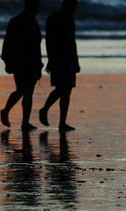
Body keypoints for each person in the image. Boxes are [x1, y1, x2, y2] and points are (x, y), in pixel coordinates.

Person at [0, 0, 43, 131]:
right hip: (27, 62)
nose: (39, 10)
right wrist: (39, 63)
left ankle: (13, 115)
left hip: (19, 61)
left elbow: (7, 42)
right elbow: (35, 46)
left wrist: (7, 60)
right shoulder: (30, 22)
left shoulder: (16, 20)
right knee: (26, 91)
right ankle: (22, 121)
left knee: (22, 90)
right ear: (34, 7)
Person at [39, 0, 80, 132]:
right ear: (69, 6)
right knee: (65, 90)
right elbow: (71, 42)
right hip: (66, 59)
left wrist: (50, 59)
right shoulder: (68, 19)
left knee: (61, 89)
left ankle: (52, 115)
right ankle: (58, 120)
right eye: (73, 7)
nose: (74, 9)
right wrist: (76, 61)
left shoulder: (52, 18)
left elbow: (48, 41)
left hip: (56, 58)